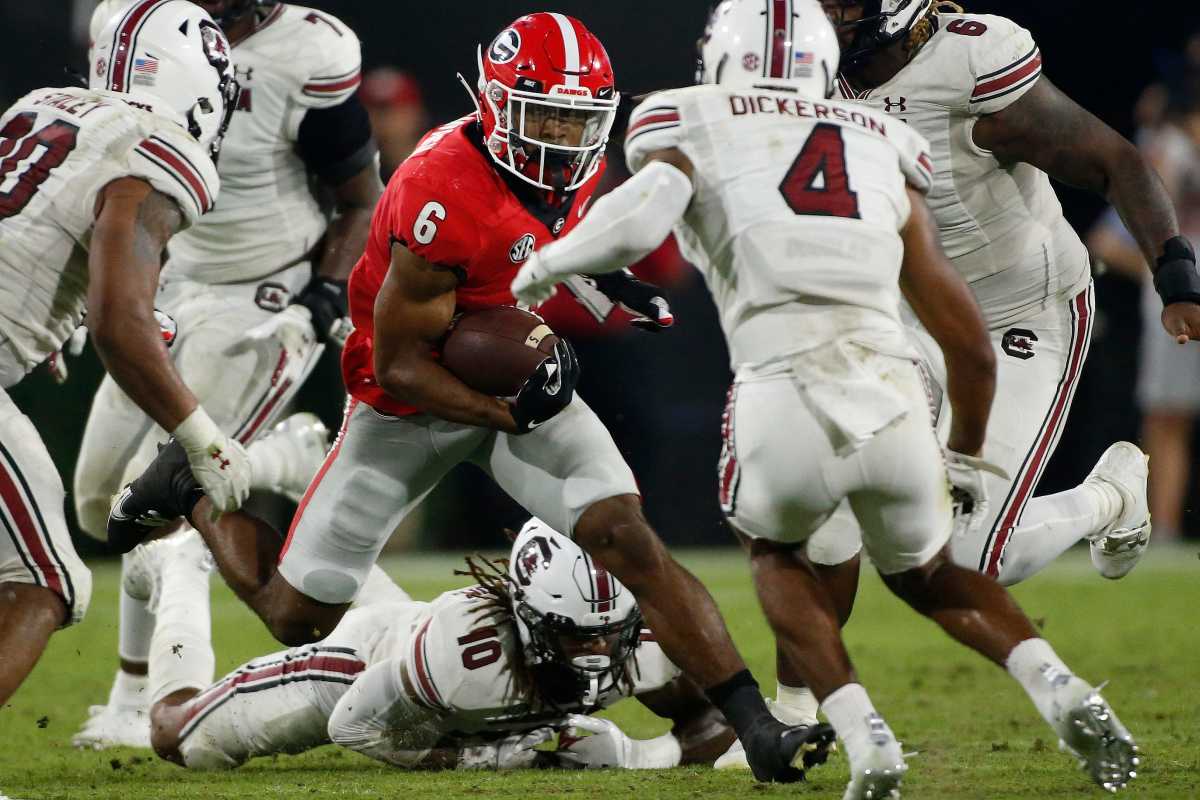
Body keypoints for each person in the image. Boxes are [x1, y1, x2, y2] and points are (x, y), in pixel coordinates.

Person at [107, 12, 836, 784]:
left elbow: (545, 237)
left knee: (628, 538)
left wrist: (600, 280)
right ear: (495, 104)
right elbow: (400, 366)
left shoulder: (571, 163)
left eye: (576, 117)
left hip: (504, 371)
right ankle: (192, 490)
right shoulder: (438, 191)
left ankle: (753, 724)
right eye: (545, 114)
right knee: (297, 616)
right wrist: (504, 415)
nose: (560, 134)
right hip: (405, 399)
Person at [510, 0, 1139, 796]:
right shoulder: (883, 141)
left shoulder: (689, 117)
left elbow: (642, 217)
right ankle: (1061, 688)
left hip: (783, 393)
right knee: (935, 572)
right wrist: (966, 454)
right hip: (891, 389)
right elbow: (966, 341)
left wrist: (549, 264)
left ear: (724, 57)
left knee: (782, 556)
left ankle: (860, 730)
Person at [713, 0, 1198, 745]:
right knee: (825, 492)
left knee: (970, 556)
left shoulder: (971, 65)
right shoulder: (804, 70)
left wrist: (1176, 271)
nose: (822, 16)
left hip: (1019, 316)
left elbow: (1113, 161)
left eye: (842, 4)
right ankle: (793, 716)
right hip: (903, 316)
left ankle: (1108, 495)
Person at [73, 0, 383, 748]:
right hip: (168, 279)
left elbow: (361, 198)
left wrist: (322, 300)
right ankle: (290, 454)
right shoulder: (129, 19)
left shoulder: (308, 50)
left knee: (163, 493)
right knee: (94, 504)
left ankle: (133, 696)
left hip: (259, 290)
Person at [0, 0, 251, 706]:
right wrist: (201, 436)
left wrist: (46, 298)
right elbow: (121, 320)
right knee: (41, 580)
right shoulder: (160, 148)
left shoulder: (44, 106)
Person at [132, 518, 735, 771]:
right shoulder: (463, 656)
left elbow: (707, 723)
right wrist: (488, 758)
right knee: (177, 737)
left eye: (610, 631)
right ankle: (180, 559)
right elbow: (352, 726)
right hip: (358, 667)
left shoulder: (648, 647)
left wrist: (640, 754)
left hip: (424, 661)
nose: (599, 653)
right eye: (576, 637)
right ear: (529, 618)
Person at [1089, 74, 1200, 544]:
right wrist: (1170, 282)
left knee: (1167, 418)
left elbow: (1104, 243)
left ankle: (1166, 530)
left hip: (1180, 292)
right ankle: (1166, 531)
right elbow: (1106, 242)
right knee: (1167, 416)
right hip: (1184, 291)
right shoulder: (1169, 148)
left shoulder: (1164, 146)